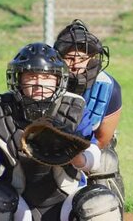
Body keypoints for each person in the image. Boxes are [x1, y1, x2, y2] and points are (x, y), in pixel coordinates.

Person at [0, 42, 122, 220]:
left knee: (99, 205)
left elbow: (93, 158)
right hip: (18, 203)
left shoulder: (73, 110)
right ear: (18, 79)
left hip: (67, 199)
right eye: (31, 76)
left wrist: (76, 157)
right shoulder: (1, 114)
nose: (39, 84)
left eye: (47, 77)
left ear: (59, 80)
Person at [53, 20, 124, 209]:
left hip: (89, 148)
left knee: (106, 162)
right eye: (69, 57)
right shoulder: (45, 81)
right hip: (47, 146)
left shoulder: (108, 88)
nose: (76, 64)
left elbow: (102, 139)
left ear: (93, 58)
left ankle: (107, 212)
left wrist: (78, 160)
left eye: (82, 57)